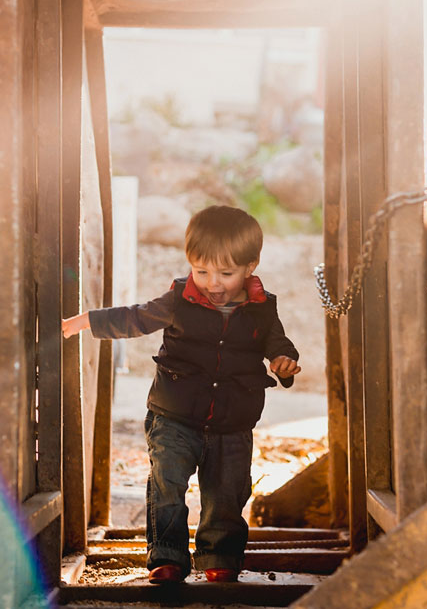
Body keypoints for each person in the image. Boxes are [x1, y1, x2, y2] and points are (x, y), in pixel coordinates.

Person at [62, 205, 301, 585]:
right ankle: (167, 557)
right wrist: (88, 320)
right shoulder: (179, 299)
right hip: (173, 415)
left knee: (226, 493)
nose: (213, 282)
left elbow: (277, 341)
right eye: (201, 271)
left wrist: (284, 359)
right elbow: (136, 317)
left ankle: (219, 557)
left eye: (226, 273)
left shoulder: (261, 308)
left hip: (233, 421)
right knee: (167, 484)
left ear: (251, 265)